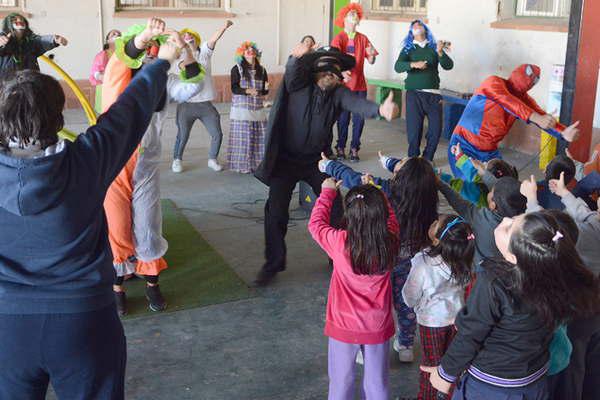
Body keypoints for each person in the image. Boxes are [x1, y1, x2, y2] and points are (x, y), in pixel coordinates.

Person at [0, 25, 181, 399]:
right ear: (59, 119)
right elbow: (130, 110)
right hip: (82, 319)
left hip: (7, 326)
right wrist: (161, 62)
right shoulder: (87, 160)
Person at [253, 43, 399, 286]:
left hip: (316, 161)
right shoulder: (299, 86)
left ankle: (337, 256)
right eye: (327, 72)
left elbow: (357, 104)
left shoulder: (338, 93)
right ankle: (273, 262)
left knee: (335, 208)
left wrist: (380, 110)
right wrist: (294, 57)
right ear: (316, 71)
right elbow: (292, 73)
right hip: (286, 160)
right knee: (276, 211)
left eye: (335, 73)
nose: (331, 77)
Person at [421, 211, 600, 399]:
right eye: (514, 219)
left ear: (515, 256)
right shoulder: (556, 276)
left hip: (490, 387)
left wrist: (445, 374)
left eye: (509, 228)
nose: (506, 219)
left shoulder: (493, 282)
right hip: (534, 382)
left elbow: (470, 334)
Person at [102, 19, 205, 315]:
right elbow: (125, 54)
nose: (148, 53)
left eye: (153, 50)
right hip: (114, 165)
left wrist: (184, 48)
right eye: (145, 48)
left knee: (148, 226)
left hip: (146, 164)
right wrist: (144, 35)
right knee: (117, 227)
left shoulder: (161, 83)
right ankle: (117, 287)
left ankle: (151, 283)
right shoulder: (116, 75)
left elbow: (193, 83)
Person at [321, 156, 439, 363]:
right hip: (409, 264)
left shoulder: (385, 190)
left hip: (381, 259)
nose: (398, 163)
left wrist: (329, 165)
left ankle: (363, 346)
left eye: (401, 163)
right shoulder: (427, 201)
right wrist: (388, 162)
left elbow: (351, 177)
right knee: (405, 304)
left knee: (373, 304)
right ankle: (406, 345)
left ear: (400, 177)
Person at [308, 181, 399, 400]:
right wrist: (379, 194)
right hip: (377, 325)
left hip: (343, 324)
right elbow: (393, 219)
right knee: (377, 383)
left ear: (350, 215)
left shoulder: (339, 242)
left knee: (341, 381)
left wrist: (327, 192)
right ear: (380, 215)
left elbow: (315, 225)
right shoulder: (390, 241)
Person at [449, 64, 580, 180]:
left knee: (502, 189)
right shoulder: (493, 82)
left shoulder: (523, 100)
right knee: (471, 190)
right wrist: (535, 117)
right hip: (463, 144)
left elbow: (542, 118)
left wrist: (563, 132)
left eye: (533, 80)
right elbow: (507, 101)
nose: (530, 81)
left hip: (489, 153)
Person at [402, 214, 475, 400]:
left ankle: (427, 396)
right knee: (452, 366)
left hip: (431, 323)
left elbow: (409, 296)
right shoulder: (465, 260)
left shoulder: (423, 263)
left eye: (436, 223)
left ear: (437, 238)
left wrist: (418, 306)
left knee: (431, 367)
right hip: (458, 320)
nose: (432, 222)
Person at [172, 20, 234, 173]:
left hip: (205, 105)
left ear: (196, 38)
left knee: (217, 133)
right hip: (187, 105)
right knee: (183, 135)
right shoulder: (180, 57)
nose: (187, 36)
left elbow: (214, 39)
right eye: (184, 36)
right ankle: (177, 160)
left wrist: (224, 27)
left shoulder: (205, 52)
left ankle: (212, 159)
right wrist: (188, 50)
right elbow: (186, 67)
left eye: (190, 35)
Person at [438, 175, 527, 270]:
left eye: (491, 192)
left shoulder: (482, 218)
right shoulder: (524, 226)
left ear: (493, 205)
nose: (488, 192)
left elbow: (459, 203)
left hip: (478, 270)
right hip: (503, 272)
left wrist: (440, 183)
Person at [395, 20, 453, 162]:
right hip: (414, 94)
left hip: (433, 95)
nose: (416, 26)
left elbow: (448, 65)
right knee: (414, 132)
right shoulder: (408, 49)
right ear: (411, 31)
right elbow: (398, 66)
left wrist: (440, 52)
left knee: (435, 130)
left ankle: (427, 159)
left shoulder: (434, 47)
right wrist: (413, 64)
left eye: (419, 24)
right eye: (413, 25)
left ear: (425, 29)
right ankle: (413, 160)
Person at [331, 3, 377, 162]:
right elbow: (333, 61)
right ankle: (340, 147)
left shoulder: (363, 38)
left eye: (355, 13)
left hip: (359, 86)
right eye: (350, 13)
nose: (353, 14)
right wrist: (342, 73)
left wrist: (371, 55)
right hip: (343, 87)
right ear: (344, 19)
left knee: (359, 119)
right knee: (343, 119)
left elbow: (371, 60)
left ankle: (354, 148)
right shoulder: (339, 38)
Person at [227, 41, 269, 173]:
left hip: (257, 108)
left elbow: (264, 90)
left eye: (252, 50)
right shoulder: (237, 68)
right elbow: (234, 88)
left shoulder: (262, 70)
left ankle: (258, 165)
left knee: (259, 137)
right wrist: (247, 91)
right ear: (242, 54)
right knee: (243, 138)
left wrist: (265, 91)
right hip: (242, 109)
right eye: (247, 50)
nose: (250, 52)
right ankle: (242, 165)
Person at [0, 12, 68, 73]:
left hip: (30, 78)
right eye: (15, 20)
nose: (19, 21)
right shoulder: (3, 37)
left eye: (22, 20)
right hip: (7, 80)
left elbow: (41, 41)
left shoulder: (31, 41)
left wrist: (55, 39)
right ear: (8, 24)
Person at [89, 29, 122, 114]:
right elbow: (96, 73)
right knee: (105, 115)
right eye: (113, 34)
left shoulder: (124, 55)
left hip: (120, 88)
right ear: (108, 41)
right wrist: (107, 79)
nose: (116, 35)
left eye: (118, 34)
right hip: (105, 89)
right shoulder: (102, 55)